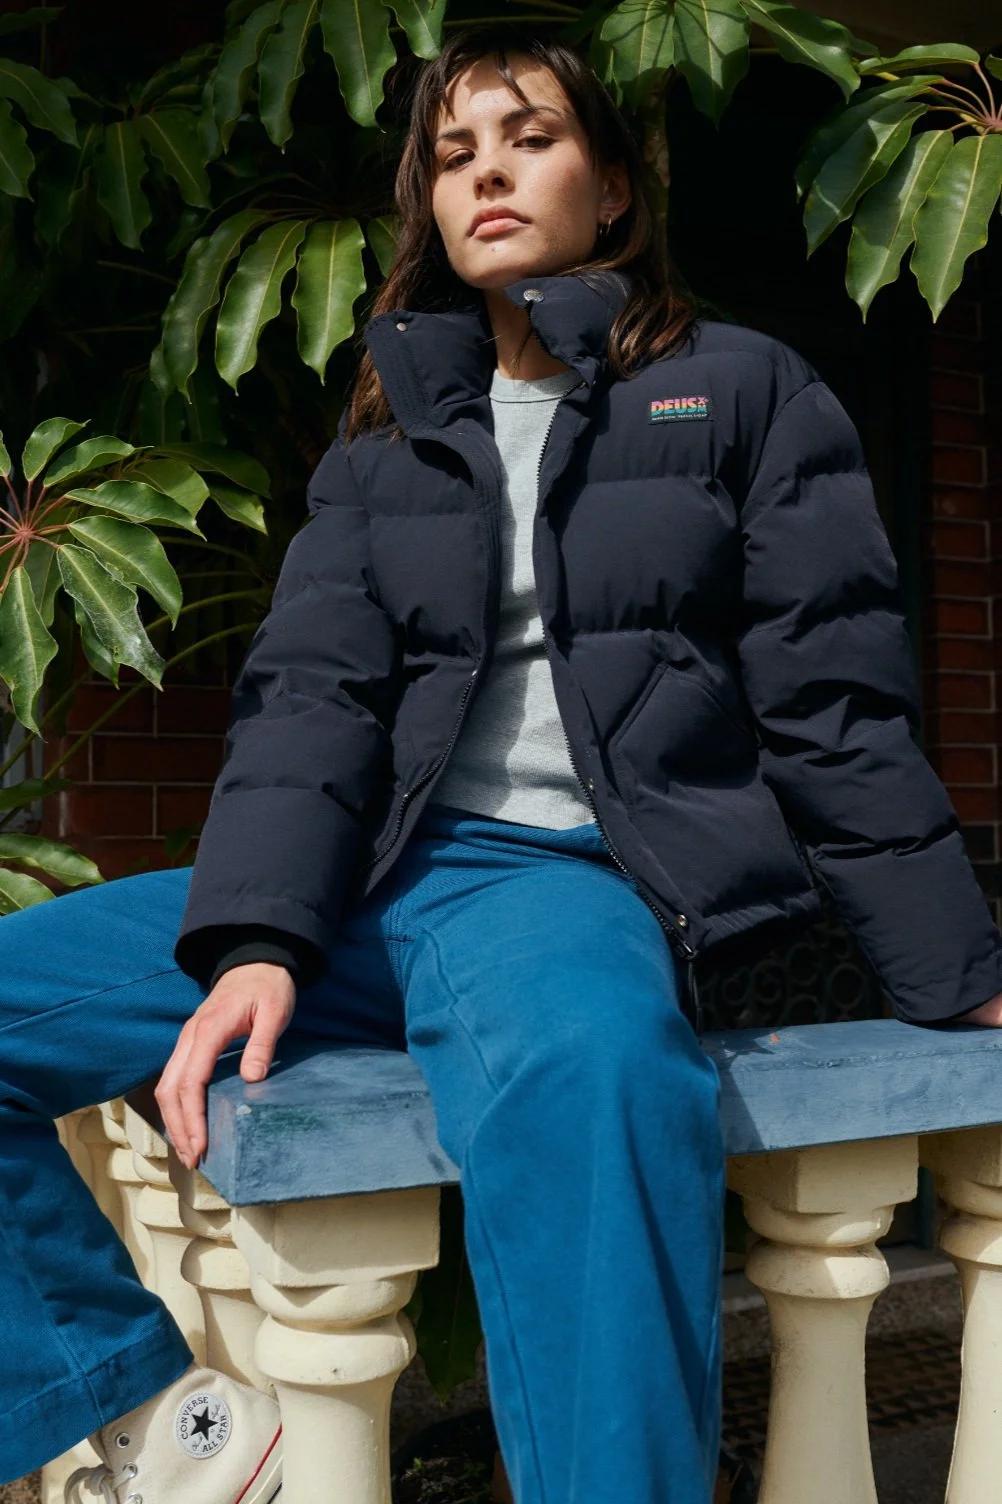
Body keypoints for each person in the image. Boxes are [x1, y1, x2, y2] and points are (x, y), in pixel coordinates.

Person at [2, 21, 1002, 1504]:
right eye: (454, 153)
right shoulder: (385, 437)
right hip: (355, 889)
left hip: (556, 890)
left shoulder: (742, 391)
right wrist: (263, 936)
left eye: (530, 139)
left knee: (601, 1080)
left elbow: (832, 700)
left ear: (613, 188)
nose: (488, 174)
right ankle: (161, 1419)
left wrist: (956, 967)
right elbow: (310, 706)